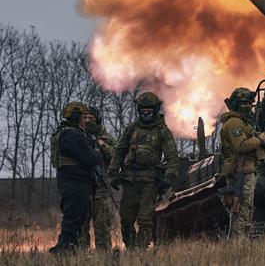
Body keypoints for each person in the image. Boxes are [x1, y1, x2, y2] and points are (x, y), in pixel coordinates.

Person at [108, 92, 179, 249]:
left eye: (149, 110)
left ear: (155, 110)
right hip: (130, 179)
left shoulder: (163, 131)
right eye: (143, 110)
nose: (146, 113)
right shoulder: (131, 128)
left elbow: (173, 158)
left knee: (145, 220)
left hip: (150, 181)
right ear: (139, 110)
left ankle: (140, 250)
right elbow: (119, 151)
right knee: (126, 220)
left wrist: (168, 178)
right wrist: (113, 172)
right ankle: (132, 248)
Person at [49, 102, 102, 254]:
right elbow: (89, 158)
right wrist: (99, 153)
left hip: (73, 181)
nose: (86, 120)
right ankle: (63, 249)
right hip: (75, 182)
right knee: (73, 219)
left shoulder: (66, 132)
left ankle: (70, 250)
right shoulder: (72, 134)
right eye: (84, 117)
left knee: (76, 218)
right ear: (75, 116)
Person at [219, 88, 265, 239]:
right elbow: (241, 146)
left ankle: (241, 244)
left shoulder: (244, 123)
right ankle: (238, 244)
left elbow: (251, 142)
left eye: (250, 102)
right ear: (237, 104)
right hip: (240, 170)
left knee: (245, 209)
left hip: (247, 169)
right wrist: (259, 140)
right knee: (241, 210)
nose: (250, 105)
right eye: (246, 103)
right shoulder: (234, 123)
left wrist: (264, 141)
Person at [81, 106, 116, 251]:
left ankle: (105, 258)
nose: (88, 121)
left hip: (102, 189)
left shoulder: (106, 137)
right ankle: (82, 258)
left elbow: (116, 156)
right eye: (85, 118)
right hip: (83, 187)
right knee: (81, 227)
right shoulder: (78, 136)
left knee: (102, 226)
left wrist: (101, 144)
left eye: (92, 118)